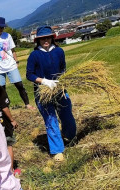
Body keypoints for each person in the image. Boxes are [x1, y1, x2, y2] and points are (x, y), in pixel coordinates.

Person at [26, 26, 76, 162]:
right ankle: (58, 150)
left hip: (59, 89)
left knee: (67, 114)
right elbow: (29, 75)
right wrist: (44, 81)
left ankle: (70, 137)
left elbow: (63, 68)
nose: (45, 40)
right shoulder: (34, 55)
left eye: (47, 37)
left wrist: (62, 80)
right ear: (38, 40)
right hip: (43, 93)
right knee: (51, 119)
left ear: (52, 38)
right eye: (42, 39)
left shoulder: (59, 51)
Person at [0, 16, 34, 110]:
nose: (2, 29)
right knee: (1, 89)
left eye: (3, 27)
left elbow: (13, 50)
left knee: (19, 85)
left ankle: (27, 104)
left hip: (11, 65)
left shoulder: (7, 36)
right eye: (0, 27)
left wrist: (16, 60)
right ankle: (4, 108)